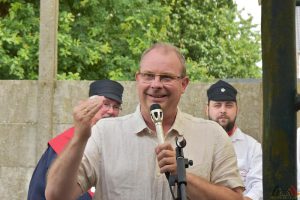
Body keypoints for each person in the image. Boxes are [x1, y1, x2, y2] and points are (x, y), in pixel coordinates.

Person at [45, 42, 244, 200]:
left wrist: (183, 176)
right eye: (148, 76)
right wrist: (79, 138)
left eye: (166, 77)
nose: (155, 85)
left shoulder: (212, 135)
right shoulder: (105, 133)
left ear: (184, 84)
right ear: (138, 79)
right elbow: (56, 195)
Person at [27, 80, 124, 200]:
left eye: (116, 107)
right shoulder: (62, 145)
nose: (111, 111)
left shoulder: (118, 145)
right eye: (106, 104)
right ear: (89, 106)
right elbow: (42, 192)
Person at [206, 80, 263, 200]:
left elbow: (259, 184)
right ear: (207, 109)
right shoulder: (195, 143)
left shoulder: (253, 147)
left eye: (229, 105)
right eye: (217, 105)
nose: (223, 110)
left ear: (237, 109)